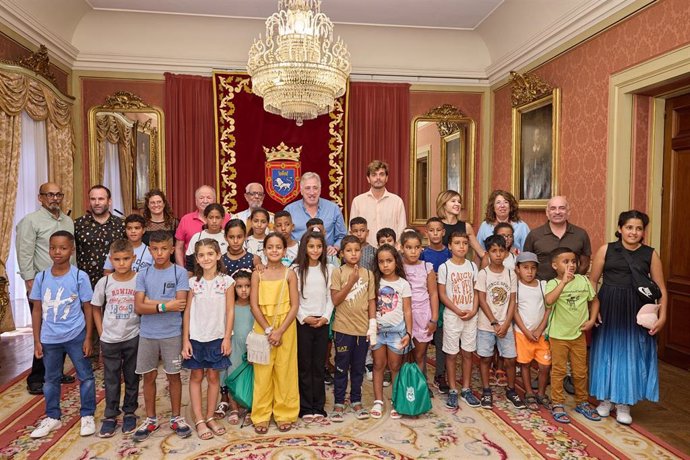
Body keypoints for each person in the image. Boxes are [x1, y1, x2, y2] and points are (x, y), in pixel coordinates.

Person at [588, 210, 667, 425]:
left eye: (638, 228)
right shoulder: (606, 250)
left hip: (636, 310)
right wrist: (594, 309)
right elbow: (592, 281)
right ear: (620, 228)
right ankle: (605, 400)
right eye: (629, 227)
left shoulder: (650, 254)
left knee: (632, 354)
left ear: (643, 232)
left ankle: (624, 403)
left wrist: (663, 315)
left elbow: (661, 287)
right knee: (606, 351)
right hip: (609, 305)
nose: (633, 232)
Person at [29, 231, 96, 438]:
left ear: (72, 250)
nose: (57, 252)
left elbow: (88, 308)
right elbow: (37, 310)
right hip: (50, 339)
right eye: (53, 247)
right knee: (50, 379)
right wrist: (36, 340)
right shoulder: (41, 277)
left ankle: (87, 414)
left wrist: (87, 338)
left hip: (76, 335)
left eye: (63, 248)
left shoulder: (79, 276)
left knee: (85, 376)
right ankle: (53, 417)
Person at [15, 182, 75, 395]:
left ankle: (56, 372)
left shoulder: (68, 221)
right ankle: (36, 377)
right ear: (40, 197)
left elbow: (72, 254)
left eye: (58, 194)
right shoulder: (31, 221)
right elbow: (24, 253)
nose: (55, 198)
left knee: (64, 329)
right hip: (42, 286)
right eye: (50, 194)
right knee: (44, 332)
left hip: (67, 284)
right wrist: (30, 283)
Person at [132, 230, 191, 442]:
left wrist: (151, 302)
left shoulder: (179, 273)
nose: (159, 253)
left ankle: (176, 417)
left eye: (164, 249)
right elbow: (138, 306)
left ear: (172, 249)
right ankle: (151, 419)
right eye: (155, 249)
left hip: (172, 333)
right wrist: (165, 304)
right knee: (148, 376)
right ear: (149, 250)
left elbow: (181, 304)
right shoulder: (144, 274)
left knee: (174, 375)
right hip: (148, 334)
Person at [182, 239, 234, 440]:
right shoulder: (193, 282)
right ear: (197, 258)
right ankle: (199, 419)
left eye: (210, 254)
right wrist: (185, 339)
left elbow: (230, 311)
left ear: (218, 255)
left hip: (217, 336)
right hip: (196, 337)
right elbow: (187, 312)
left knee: (213, 377)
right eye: (202, 255)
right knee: (196, 377)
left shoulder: (227, 282)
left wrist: (227, 337)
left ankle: (210, 416)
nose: (206, 258)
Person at [250, 233, 300, 434]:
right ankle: (261, 414)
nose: (274, 251)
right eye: (270, 247)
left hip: (286, 327)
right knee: (262, 373)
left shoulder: (290, 274)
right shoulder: (257, 274)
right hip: (263, 327)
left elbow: (295, 305)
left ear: (285, 250)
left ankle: (285, 413)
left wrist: (279, 331)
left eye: (278, 247)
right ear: (264, 250)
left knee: (285, 370)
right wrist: (270, 330)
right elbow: (253, 305)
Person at [544, 247, 600, 424]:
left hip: (578, 335)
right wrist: (564, 283)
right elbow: (549, 301)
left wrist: (591, 320)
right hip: (558, 335)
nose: (571, 265)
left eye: (573, 261)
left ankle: (582, 401)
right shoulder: (552, 283)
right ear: (555, 265)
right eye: (565, 262)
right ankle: (558, 403)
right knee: (559, 371)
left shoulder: (584, 281)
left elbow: (595, 300)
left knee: (580, 371)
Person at [91, 239, 141, 437]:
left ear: (133, 258)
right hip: (110, 338)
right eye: (117, 259)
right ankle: (110, 415)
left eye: (126, 259)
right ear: (110, 259)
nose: (121, 263)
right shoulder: (104, 282)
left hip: (133, 336)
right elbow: (96, 307)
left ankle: (130, 412)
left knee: (132, 377)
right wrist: (102, 332)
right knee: (111, 379)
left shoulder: (139, 279)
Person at [475, 235, 524, 410]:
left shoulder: (511, 274)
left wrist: (506, 323)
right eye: (494, 251)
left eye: (501, 251)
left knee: (510, 359)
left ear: (506, 253)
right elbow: (481, 299)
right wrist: (495, 322)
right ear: (488, 253)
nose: (498, 254)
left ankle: (511, 390)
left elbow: (512, 300)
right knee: (486, 358)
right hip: (486, 325)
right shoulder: (483, 274)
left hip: (506, 324)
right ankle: (486, 390)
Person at [330, 235, 375, 422]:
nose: (353, 253)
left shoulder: (369, 274)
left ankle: (356, 399)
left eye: (357, 250)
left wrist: (372, 324)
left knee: (358, 368)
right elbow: (335, 300)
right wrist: (351, 281)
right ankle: (339, 402)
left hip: (362, 329)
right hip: (343, 329)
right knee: (341, 368)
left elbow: (372, 300)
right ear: (342, 253)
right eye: (349, 250)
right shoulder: (337, 272)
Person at [437, 231, 480, 409]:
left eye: (464, 243)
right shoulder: (445, 267)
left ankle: (466, 388)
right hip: (452, 316)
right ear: (450, 246)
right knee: (451, 353)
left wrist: (473, 309)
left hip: (470, 316)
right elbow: (442, 293)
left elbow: (477, 292)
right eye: (457, 243)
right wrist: (456, 309)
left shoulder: (472, 266)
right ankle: (453, 389)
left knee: (468, 353)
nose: (461, 246)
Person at [294, 230, 334, 423]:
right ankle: (305, 406)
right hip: (303, 323)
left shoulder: (329, 269)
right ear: (304, 247)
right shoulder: (296, 270)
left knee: (319, 365)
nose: (315, 250)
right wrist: (304, 317)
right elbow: (295, 299)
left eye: (319, 246)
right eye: (311, 246)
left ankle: (318, 406)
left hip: (322, 322)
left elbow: (330, 298)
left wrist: (325, 317)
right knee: (304, 365)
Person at [370, 244, 413, 419]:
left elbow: (408, 310)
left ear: (396, 261)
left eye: (389, 261)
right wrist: (372, 326)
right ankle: (378, 401)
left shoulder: (403, 284)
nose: (385, 265)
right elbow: (370, 304)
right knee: (378, 365)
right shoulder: (375, 280)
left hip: (397, 332)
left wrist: (409, 334)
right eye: (381, 262)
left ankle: (396, 400)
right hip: (378, 332)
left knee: (395, 366)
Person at [512, 252, 552, 412]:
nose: (529, 272)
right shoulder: (516, 287)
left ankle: (541, 393)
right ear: (517, 269)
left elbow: (549, 308)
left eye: (533, 268)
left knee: (544, 366)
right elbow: (514, 311)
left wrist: (540, 328)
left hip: (541, 334)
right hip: (523, 334)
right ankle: (529, 392)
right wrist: (526, 331)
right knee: (525, 364)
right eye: (525, 268)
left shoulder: (543, 285)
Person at [400, 230, 439, 391]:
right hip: (403, 315)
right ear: (402, 248)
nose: (413, 251)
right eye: (409, 247)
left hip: (423, 315)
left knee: (420, 354)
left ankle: (421, 386)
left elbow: (433, 293)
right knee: (404, 354)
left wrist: (434, 318)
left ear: (421, 248)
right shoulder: (399, 267)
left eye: (417, 247)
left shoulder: (426, 267)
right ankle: (405, 385)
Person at [523, 196, 592, 281]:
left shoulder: (581, 234)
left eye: (562, 208)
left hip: (571, 289)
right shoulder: (534, 235)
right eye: (553, 208)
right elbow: (526, 263)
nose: (557, 212)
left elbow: (585, 263)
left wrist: (574, 281)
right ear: (547, 213)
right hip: (542, 288)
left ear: (568, 212)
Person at [420, 217, 452, 394]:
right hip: (426, 303)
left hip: (445, 303)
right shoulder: (422, 254)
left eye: (438, 230)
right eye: (431, 230)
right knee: (423, 342)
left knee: (441, 342)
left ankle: (440, 375)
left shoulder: (449, 254)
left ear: (443, 232)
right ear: (427, 232)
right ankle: (422, 376)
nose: (435, 233)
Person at [219, 269, 253, 424]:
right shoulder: (229, 307)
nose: (244, 290)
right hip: (234, 346)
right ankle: (233, 408)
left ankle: (250, 407)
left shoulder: (255, 307)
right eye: (239, 286)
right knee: (232, 376)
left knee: (252, 378)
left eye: (247, 286)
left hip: (250, 349)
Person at [75, 185, 125, 289]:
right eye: (93, 199)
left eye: (101, 199)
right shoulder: (78, 224)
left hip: (115, 283)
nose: (97, 203)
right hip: (85, 283)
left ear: (109, 201)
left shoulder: (121, 224)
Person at [284, 172, 346, 255]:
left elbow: (342, 236)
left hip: (326, 257)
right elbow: (283, 236)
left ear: (320, 190)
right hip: (296, 257)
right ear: (301, 191)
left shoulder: (333, 209)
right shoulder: (289, 210)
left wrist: (335, 247)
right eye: (307, 188)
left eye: (315, 188)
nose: (312, 192)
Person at [349, 160, 407, 248]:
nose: (378, 178)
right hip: (364, 253)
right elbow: (353, 231)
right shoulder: (358, 201)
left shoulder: (397, 201)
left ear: (387, 178)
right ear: (368, 178)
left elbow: (402, 230)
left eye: (382, 174)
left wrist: (395, 251)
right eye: (374, 175)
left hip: (391, 253)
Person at [174, 185, 230, 266]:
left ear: (215, 200)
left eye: (209, 197)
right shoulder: (186, 219)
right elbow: (179, 248)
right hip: (195, 268)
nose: (205, 201)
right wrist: (183, 271)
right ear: (196, 201)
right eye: (201, 198)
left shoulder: (227, 218)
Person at [436, 190, 484, 257]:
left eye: (459, 202)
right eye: (453, 201)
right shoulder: (436, 224)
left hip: (459, 265)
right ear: (444, 204)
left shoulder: (466, 227)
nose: (457, 204)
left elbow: (481, 252)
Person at [185, 204, 228, 273]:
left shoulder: (227, 237)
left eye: (217, 217)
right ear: (205, 218)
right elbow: (190, 265)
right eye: (211, 217)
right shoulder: (197, 237)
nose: (214, 221)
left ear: (223, 218)